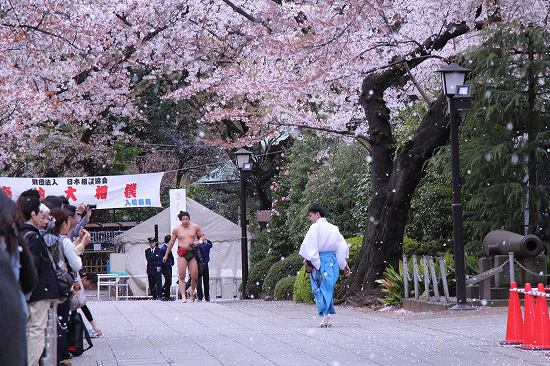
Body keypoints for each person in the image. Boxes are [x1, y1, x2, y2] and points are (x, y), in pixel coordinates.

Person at [17, 190, 60, 366]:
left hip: (26, 292)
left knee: (29, 329)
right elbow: (32, 267)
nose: (44, 219)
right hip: (37, 291)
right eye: (41, 215)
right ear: (33, 214)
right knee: (37, 330)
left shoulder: (19, 233)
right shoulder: (33, 236)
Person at [299, 204, 351, 328]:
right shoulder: (334, 228)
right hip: (332, 261)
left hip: (320, 260)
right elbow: (341, 246)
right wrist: (344, 264)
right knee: (328, 288)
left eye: (311, 216)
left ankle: (325, 313)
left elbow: (309, 246)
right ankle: (326, 313)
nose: (310, 219)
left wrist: (311, 262)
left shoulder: (315, 228)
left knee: (318, 288)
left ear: (318, 214)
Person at [50, 207, 83, 366]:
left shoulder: (45, 238)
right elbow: (76, 265)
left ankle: (50, 357)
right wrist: (81, 244)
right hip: (61, 287)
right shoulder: (64, 241)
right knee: (61, 324)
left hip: (46, 286)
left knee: (47, 324)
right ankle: (59, 358)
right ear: (64, 223)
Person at [163, 211, 205, 303]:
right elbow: (172, 242)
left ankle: (192, 291)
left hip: (192, 252)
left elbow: (202, 237)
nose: (185, 221)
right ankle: (183, 295)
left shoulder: (195, 227)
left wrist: (197, 243)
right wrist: (166, 254)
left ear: (189, 219)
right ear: (180, 220)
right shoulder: (176, 229)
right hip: (182, 253)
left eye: (186, 219)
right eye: (183, 220)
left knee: (195, 276)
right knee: (182, 275)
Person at [158, 235, 175, 301]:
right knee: (168, 281)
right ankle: (164, 294)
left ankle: (166, 295)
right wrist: (159, 266)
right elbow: (160, 258)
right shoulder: (164, 249)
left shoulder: (166, 248)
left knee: (168, 281)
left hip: (168, 266)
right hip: (165, 266)